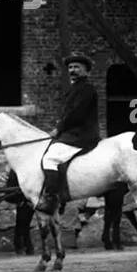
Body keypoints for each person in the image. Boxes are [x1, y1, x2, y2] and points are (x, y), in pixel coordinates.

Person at [38, 54, 100, 213]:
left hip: (82, 134)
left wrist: (59, 128)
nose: (73, 70)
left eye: (77, 67)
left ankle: (52, 198)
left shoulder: (87, 89)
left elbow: (76, 114)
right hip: (73, 132)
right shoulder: (74, 89)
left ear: (86, 71)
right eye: (71, 68)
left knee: (50, 159)